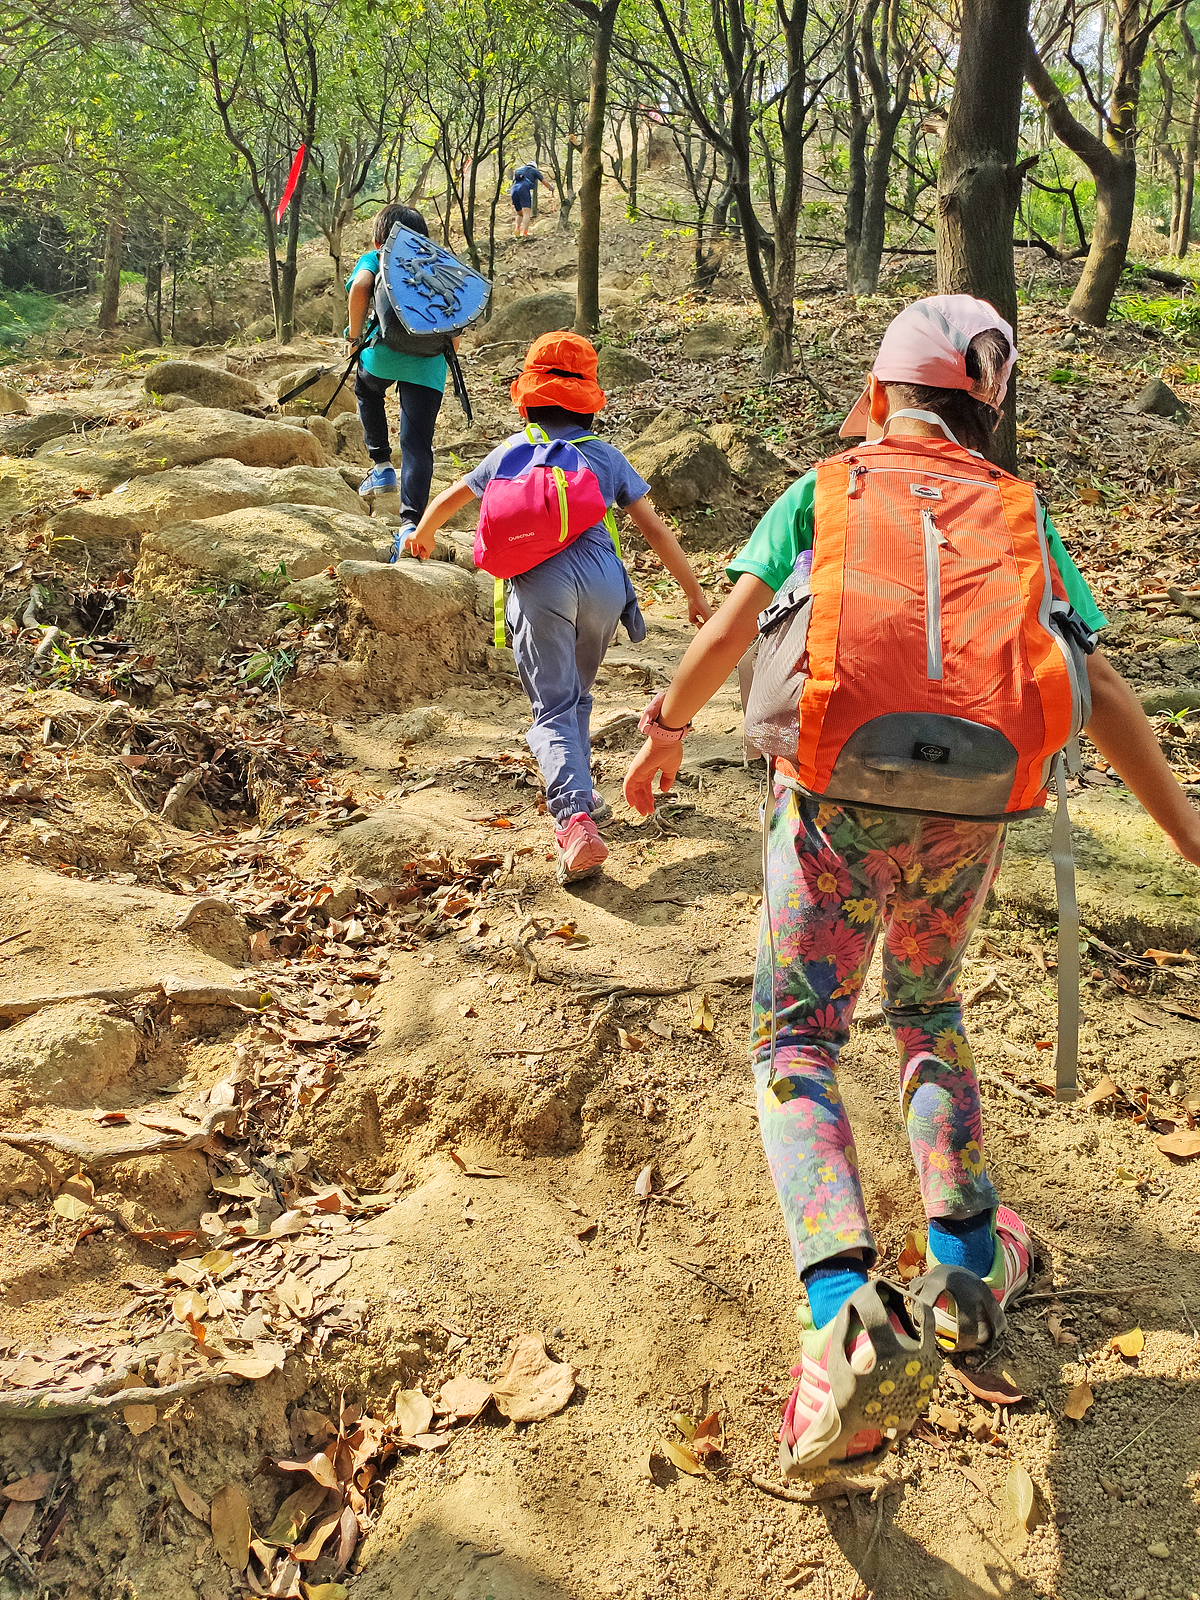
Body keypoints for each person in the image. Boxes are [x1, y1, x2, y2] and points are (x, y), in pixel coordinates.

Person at [623, 294, 1200, 1478]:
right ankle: (969, 1263)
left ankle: (844, 1310)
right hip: (973, 813)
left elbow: (731, 630)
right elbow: (1103, 688)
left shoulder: (824, 492)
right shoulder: (1016, 517)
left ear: (879, 391)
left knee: (796, 1040)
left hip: (830, 800)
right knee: (927, 1013)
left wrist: (663, 726)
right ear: (984, 409)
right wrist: (1188, 835)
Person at [402, 331, 712, 884]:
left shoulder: (510, 452)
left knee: (553, 705)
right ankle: (584, 795)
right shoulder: (606, 457)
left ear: (527, 397)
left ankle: (572, 820)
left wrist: (421, 533)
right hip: (602, 585)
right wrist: (692, 592)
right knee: (577, 694)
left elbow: (454, 494)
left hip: (539, 586)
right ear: (590, 401)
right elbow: (656, 531)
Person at [346, 204, 450, 557]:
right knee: (418, 444)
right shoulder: (439, 263)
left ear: (378, 238)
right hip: (429, 364)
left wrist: (355, 336)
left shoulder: (377, 258)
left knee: (366, 388)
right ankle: (411, 527)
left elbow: (360, 287)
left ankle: (381, 466)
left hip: (383, 355)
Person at [511, 163, 553, 238]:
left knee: (519, 213)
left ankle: (517, 230)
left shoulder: (518, 170)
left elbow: (513, 182)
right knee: (526, 212)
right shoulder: (534, 171)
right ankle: (525, 233)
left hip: (514, 189)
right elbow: (544, 181)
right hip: (524, 188)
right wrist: (550, 187)